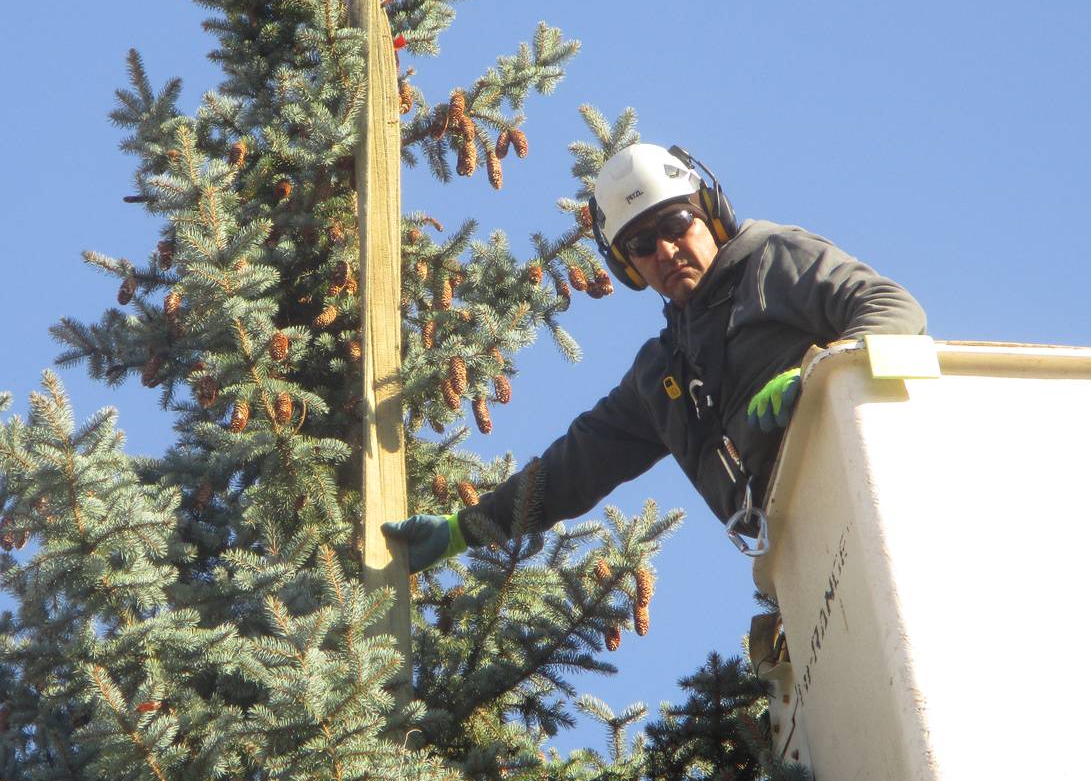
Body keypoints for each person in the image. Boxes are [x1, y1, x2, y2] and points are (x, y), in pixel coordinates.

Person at [384, 142, 926, 571]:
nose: (665, 251)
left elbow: (892, 308)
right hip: (800, 551)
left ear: (709, 214)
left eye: (675, 225)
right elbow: (574, 466)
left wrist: (821, 375)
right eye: (642, 246)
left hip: (874, 491)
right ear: (628, 268)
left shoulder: (772, 259)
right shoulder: (664, 374)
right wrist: (463, 530)